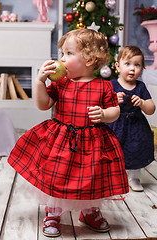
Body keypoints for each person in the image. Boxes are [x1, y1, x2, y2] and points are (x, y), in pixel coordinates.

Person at [8, 29, 129, 237]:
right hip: (62, 140)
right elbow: (43, 104)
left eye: (68, 54)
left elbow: (115, 111)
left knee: (91, 178)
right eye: (62, 54)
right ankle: (53, 212)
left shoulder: (104, 86)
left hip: (92, 141)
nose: (61, 59)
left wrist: (104, 114)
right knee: (58, 176)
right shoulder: (61, 83)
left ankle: (89, 211)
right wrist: (39, 82)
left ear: (90, 59)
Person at [108, 45, 156, 192]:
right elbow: (102, 105)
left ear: (142, 68)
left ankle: (134, 177)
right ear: (118, 66)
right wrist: (112, 100)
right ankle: (114, 178)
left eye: (137, 65)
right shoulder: (112, 85)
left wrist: (141, 102)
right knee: (114, 150)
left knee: (136, 149)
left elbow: (151, 109)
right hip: (115, 124)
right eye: (127, 64)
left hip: (136, 126)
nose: (132, 68)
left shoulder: (140, 87)